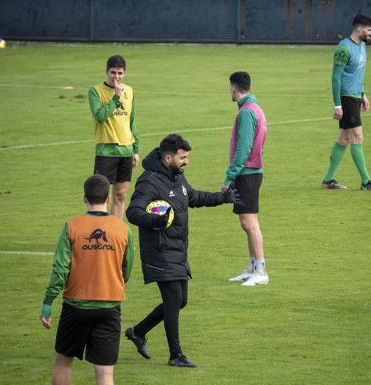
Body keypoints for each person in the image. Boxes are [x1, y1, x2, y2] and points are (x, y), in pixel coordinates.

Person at [124, 134, 241, 368]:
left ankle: (138, 331)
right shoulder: (150, 182)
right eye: (183, 157)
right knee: (173, 300)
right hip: (159, 252)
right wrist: (154, 220)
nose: (186, 161)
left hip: (177, 249)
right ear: (168, 158)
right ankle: (175, 355)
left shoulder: (177, 178)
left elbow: (193, 197)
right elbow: (133, 212)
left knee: (180, 301)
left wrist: (224, 198)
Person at [40, 174, 135, 385]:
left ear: (85, 198)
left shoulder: (72, 226)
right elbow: (126, 270)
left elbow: (60, 269)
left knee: (63, 364)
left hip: (76, 306)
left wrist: (48, 303)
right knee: (105, 374)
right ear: (108, 199)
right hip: (109, 306)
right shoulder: (123, 229)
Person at [321, 14, 371, 191]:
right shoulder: (344, 49)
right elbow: (335, 77)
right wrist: (337, 104)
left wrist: (363, 93)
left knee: (344, 138)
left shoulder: (363, 46)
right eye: (369, 30)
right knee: (357, 137)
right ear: (360, 28)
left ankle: (328, 180)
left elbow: (358, 73)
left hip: (356, 96)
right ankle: (366, 182)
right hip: (346, 97)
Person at [223, 71, 269, 286]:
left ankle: (260, 271)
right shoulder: (254, 109)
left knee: (249, 223)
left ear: (234, 87)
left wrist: (229, 176)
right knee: (247, 223)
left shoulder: (247, 112)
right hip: (251, 171)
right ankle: (253, 268)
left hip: (247, 174)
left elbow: (244, 148)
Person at [89, 54, 140, 220]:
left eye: (120, 73)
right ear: (106, 72)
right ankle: (99, 229)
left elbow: (131, 121)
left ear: (124, 73)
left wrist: (135, 149)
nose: (116, 77)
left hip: (126, 151)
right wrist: (116, 96)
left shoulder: (130, 91)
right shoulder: (95, 91)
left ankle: (116, 235)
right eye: (113, 73)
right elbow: (100, 116)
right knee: (99, 196)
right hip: (106, 151)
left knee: (120, 196)